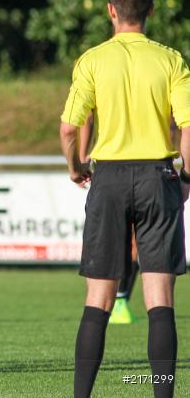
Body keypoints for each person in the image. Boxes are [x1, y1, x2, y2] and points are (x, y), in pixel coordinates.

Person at [59, 0, 190, 398]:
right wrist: (185, 176)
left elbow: (68, 128)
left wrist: (77, 166)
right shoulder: (171, 60)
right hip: (157, 175)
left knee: (97, 301)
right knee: (160, 300)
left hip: (109, 177)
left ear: (111, 11)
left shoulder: (93, 60)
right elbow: (188, 127)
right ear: (150, 10)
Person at [79, 112, 140, 325]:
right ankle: (114, 301)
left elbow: (83, 118)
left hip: (111, 171)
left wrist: (81, 155)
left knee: (125, 241)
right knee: (121, 241)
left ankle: (119, 300)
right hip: (144, 169)